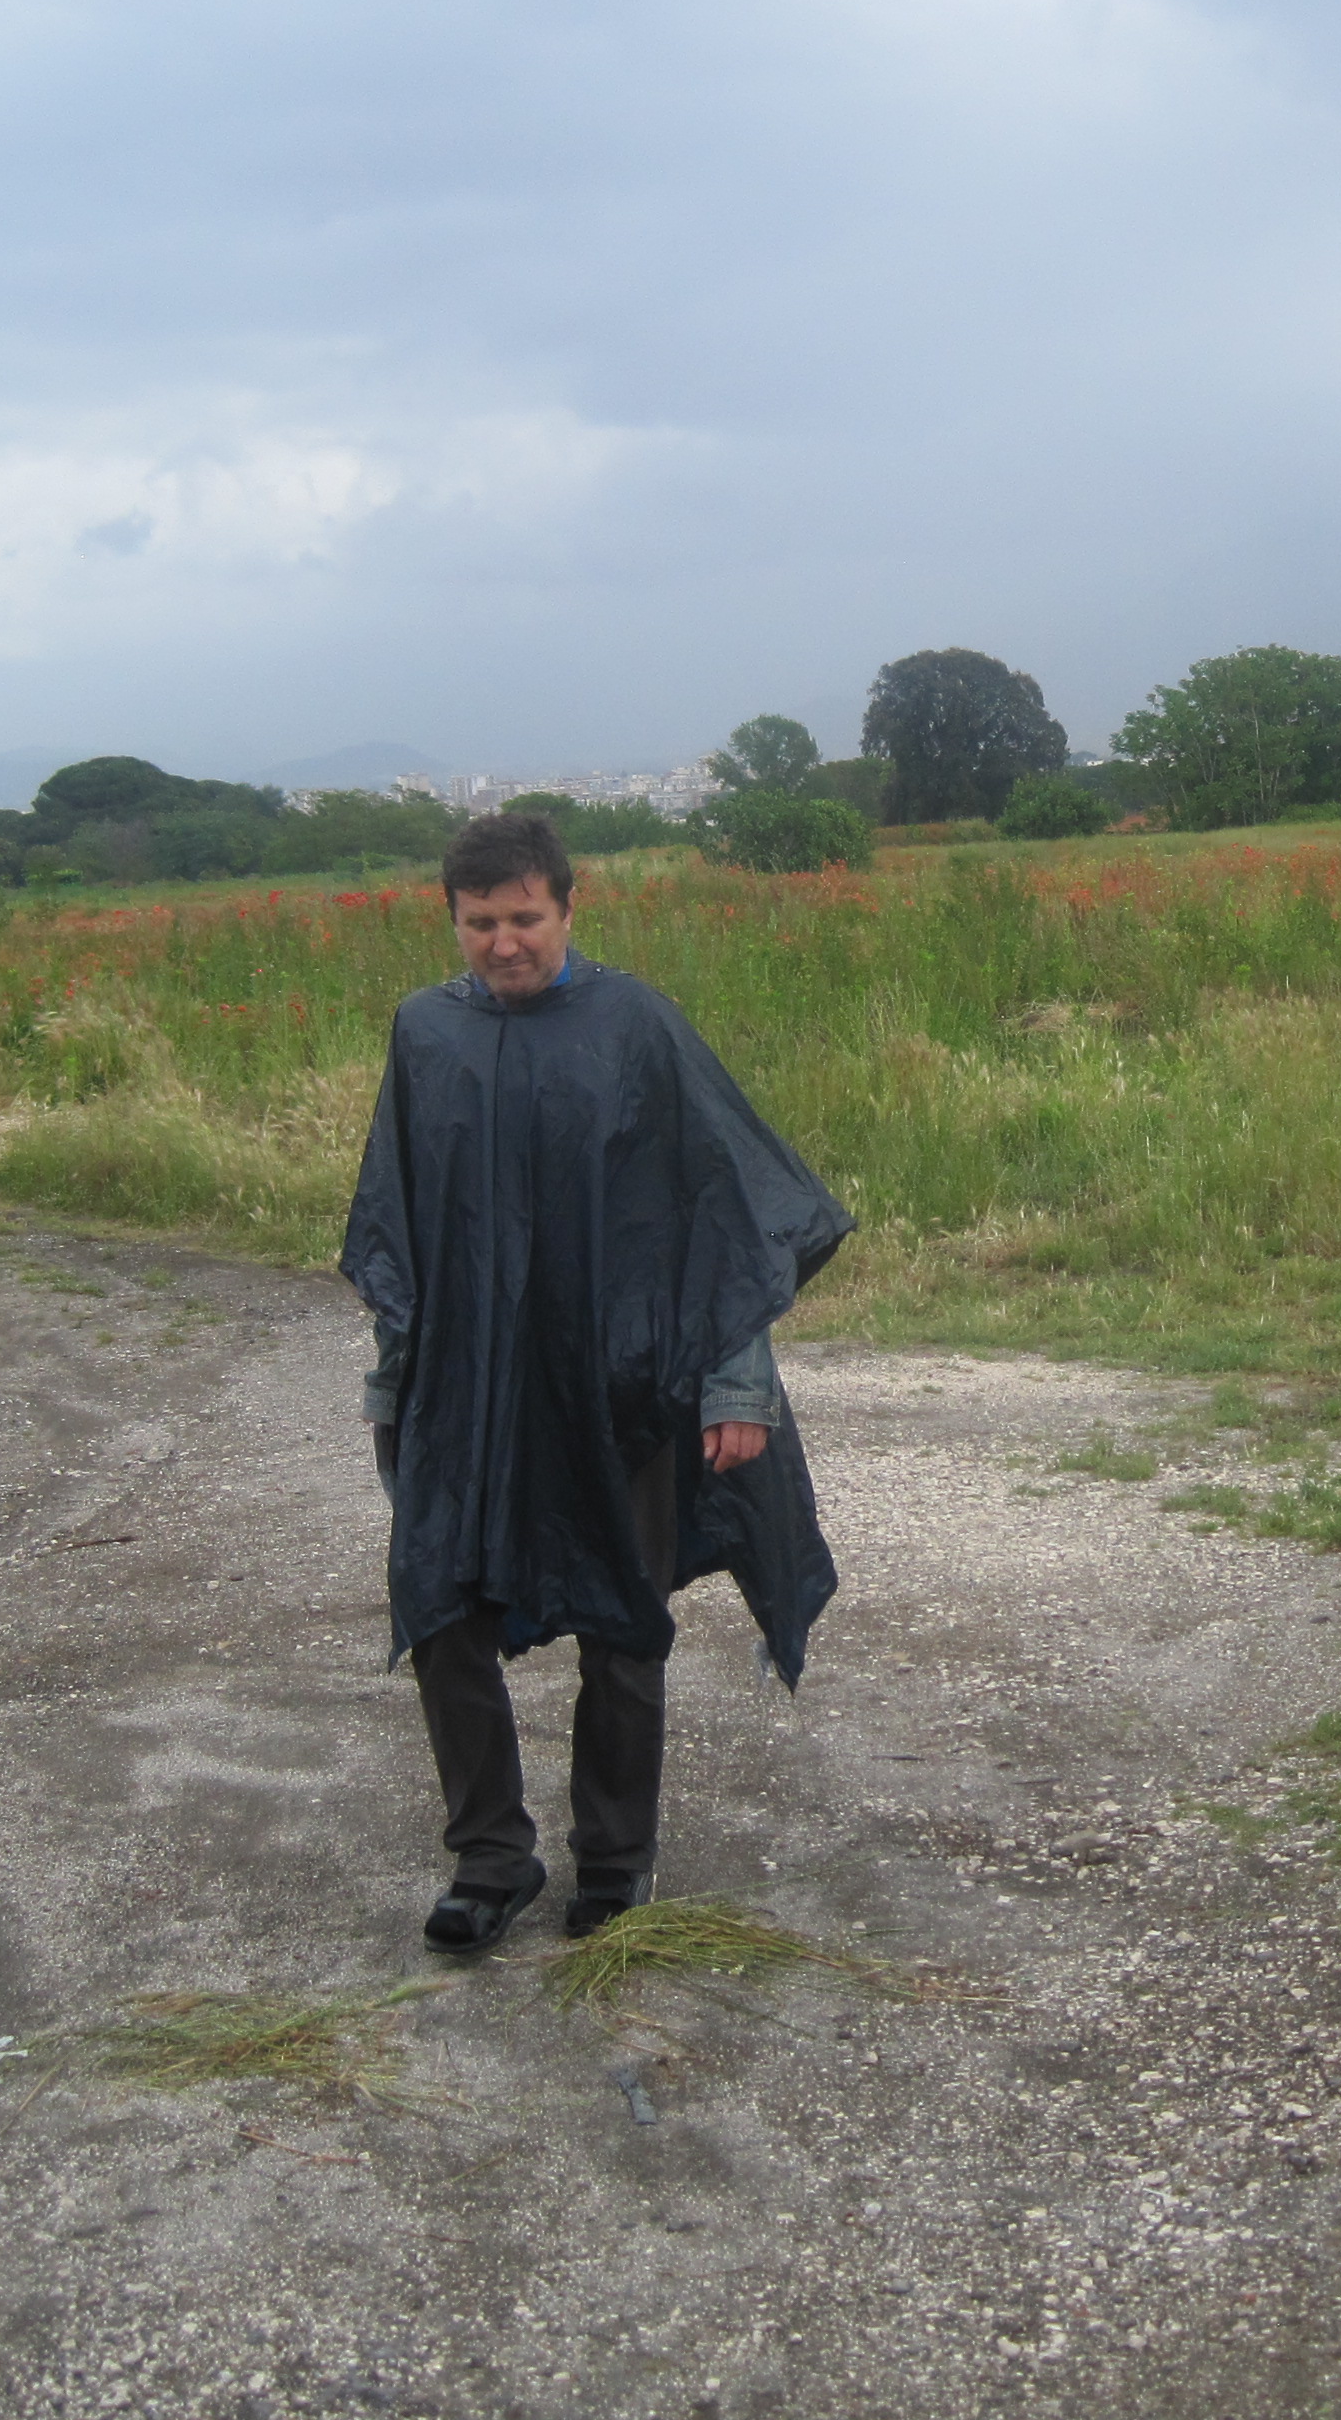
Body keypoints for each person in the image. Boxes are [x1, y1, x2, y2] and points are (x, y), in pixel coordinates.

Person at [340, 811, 854, 1955]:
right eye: (481, 922)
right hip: (470, 1392)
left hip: (617, 1382)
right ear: (452, 920)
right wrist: (392, 1385)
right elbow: (401, 1224)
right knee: (443, 1609)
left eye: (526, 918)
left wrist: (735, 1387)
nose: (504, 943)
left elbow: (720, 1207)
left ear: (569, 909)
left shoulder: (635, 1026)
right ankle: (491, 1859)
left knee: (623, 1620)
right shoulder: (426, 1034)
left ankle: (615, 1863)